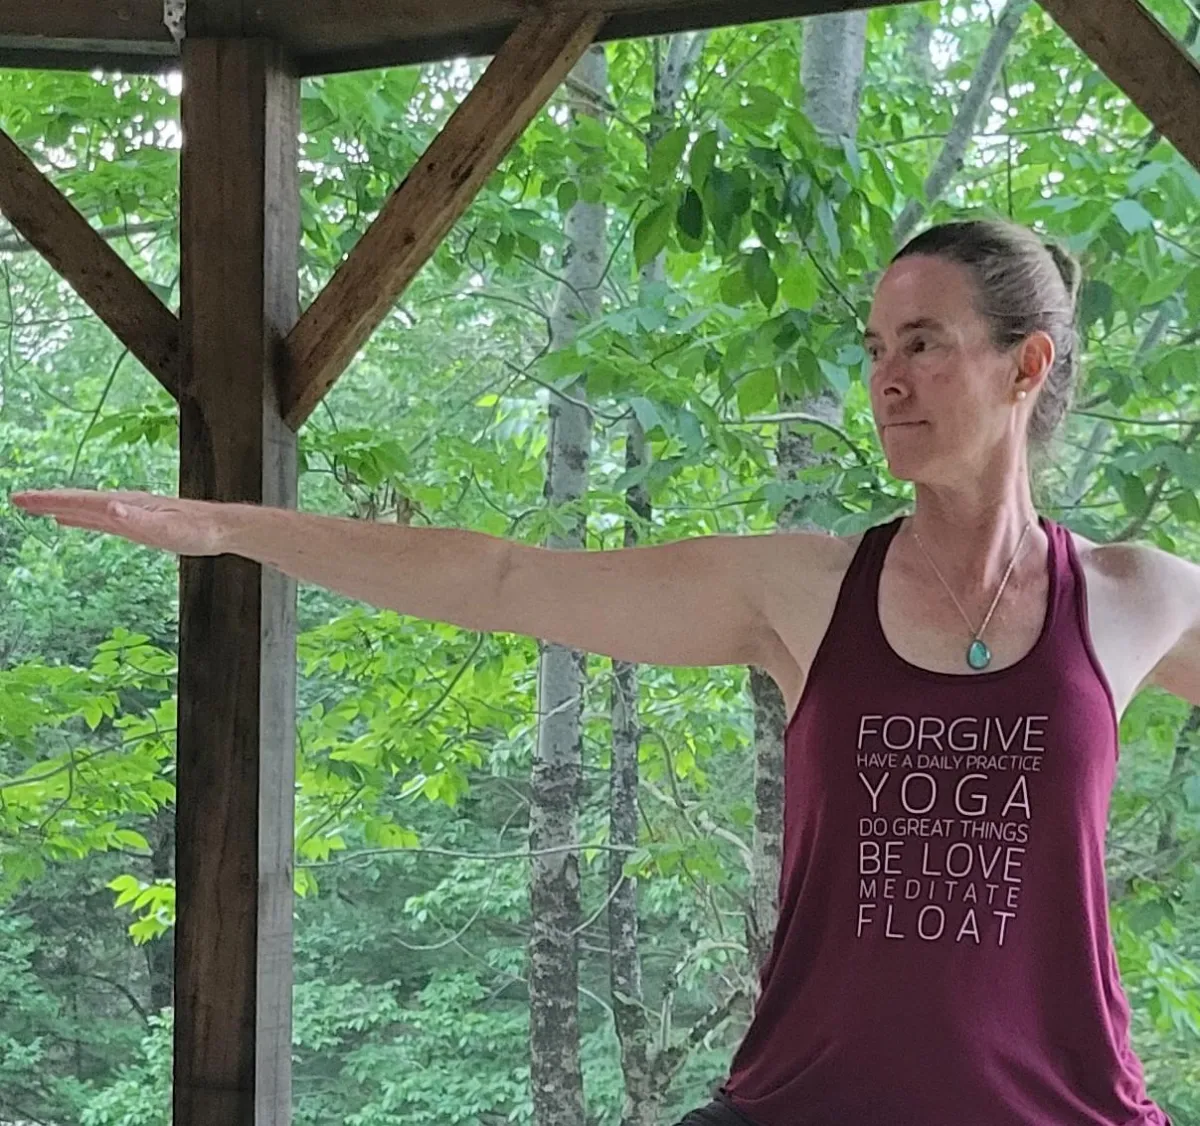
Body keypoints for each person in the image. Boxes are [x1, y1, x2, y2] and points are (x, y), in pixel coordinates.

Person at [11, 218, 1200, 1124]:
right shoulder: (805, 590)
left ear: (1025, 365)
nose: (885, 380)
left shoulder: (1134, 597)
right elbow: (506, 581)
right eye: (876, 347)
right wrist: (232, 529)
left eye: (926, 346)